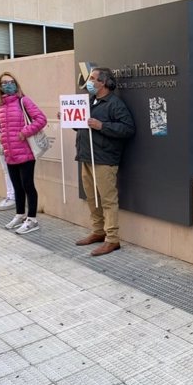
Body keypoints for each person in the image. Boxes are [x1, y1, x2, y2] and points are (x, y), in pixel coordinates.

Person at [74, 68, 135, 256]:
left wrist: (102, 126)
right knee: (92, 198)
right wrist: (71, 120)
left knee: (108, 200)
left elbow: (128, 129)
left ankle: (112, 239)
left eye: (92, 79)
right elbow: (84, 127)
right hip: (87, 156)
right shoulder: (91, 102)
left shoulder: (115, 104)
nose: (89, 82)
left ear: (104, 83)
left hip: (104, 159)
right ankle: (98, 231)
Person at [0, 72, 47, 234]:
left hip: (26, 152)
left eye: (11, 81)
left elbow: (41, 119)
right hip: (9, 153)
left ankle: (32, 219)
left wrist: (25, 132)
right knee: (17, 187)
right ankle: (20, 215)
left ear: (16, 83)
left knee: (28, 185)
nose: (8, 85)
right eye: (4, 83)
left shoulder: (24, 100)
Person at [0, 79, 16, 210]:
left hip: (14, 143)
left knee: (13, 171)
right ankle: (10, 195)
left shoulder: (18, 102)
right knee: (6, 171)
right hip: (1, 142)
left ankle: (13, 197)